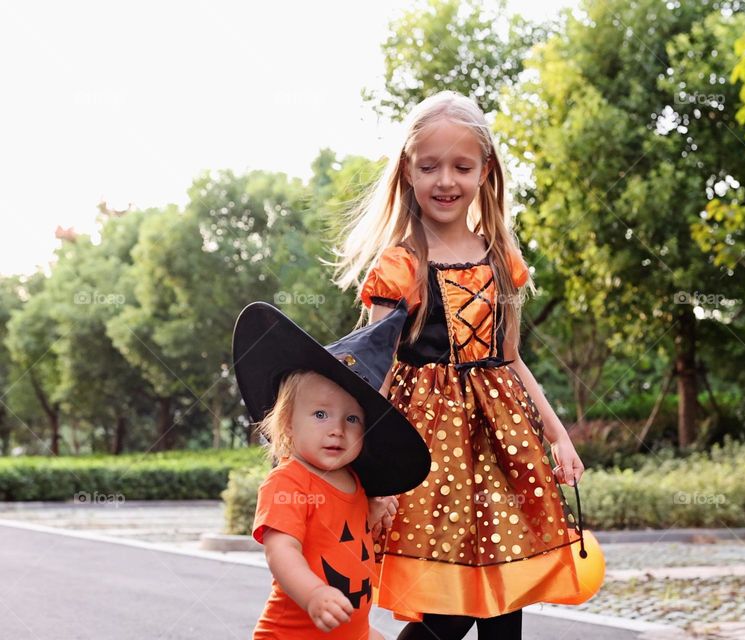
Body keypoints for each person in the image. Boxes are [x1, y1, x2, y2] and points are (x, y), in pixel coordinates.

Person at [334, 90, 586, 640]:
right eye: (429, 166)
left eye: (461, 166)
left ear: (484, 171)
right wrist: (375, 479)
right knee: (447, 613)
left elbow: (511, 358)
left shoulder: (502, 260)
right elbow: (370, 375)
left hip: (502, 447)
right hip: (428, 456)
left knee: (506, 595)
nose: (445, 180)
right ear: (407, 170)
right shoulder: (400, 264)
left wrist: (558, 435)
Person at [232, 301, 431, 639]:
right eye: (321, 415)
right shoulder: (288, 482)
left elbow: (341, 543)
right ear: (288, 425)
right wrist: (314, 594)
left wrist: (371, 516)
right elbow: (282, 551)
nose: (337, 429)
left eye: (352, 419)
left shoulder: (354, 482)